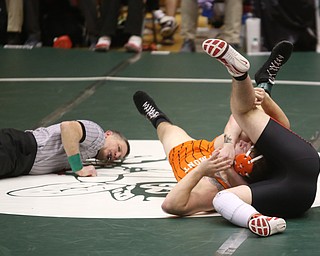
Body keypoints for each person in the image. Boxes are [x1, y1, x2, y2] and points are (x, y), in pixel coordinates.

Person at [133, 41, 293, 234]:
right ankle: (265, 82)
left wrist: (202, 169)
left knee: (168, 131)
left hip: (193, 162)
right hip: (221, 152)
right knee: (255, 119)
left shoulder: (213, 190)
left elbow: (171, 205)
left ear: (241, 164)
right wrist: (229, 144)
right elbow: (244, 117)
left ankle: (155, 116)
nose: (245, 142)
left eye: (245, 147)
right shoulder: (248, 153)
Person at [201, 38, 320, 236]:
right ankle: (256, 79)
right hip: (301, 166)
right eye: (241, 145)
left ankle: (255, 220)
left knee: (222, 199)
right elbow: (276, 123)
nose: (239, 141)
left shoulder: (251, 150)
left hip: (297, 199)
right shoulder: (251, 146)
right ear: (247, 155)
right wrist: (228, 163)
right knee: (247, 113)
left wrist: (229, 147)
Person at [0, 120, 130, 179]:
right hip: (17, 148)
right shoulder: (97, 135)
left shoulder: (88, 152)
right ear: (108, 134)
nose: (116, 155)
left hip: (18, 164)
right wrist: (78, 167)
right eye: (118, 148)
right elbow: (68, 127)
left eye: (118, 157)